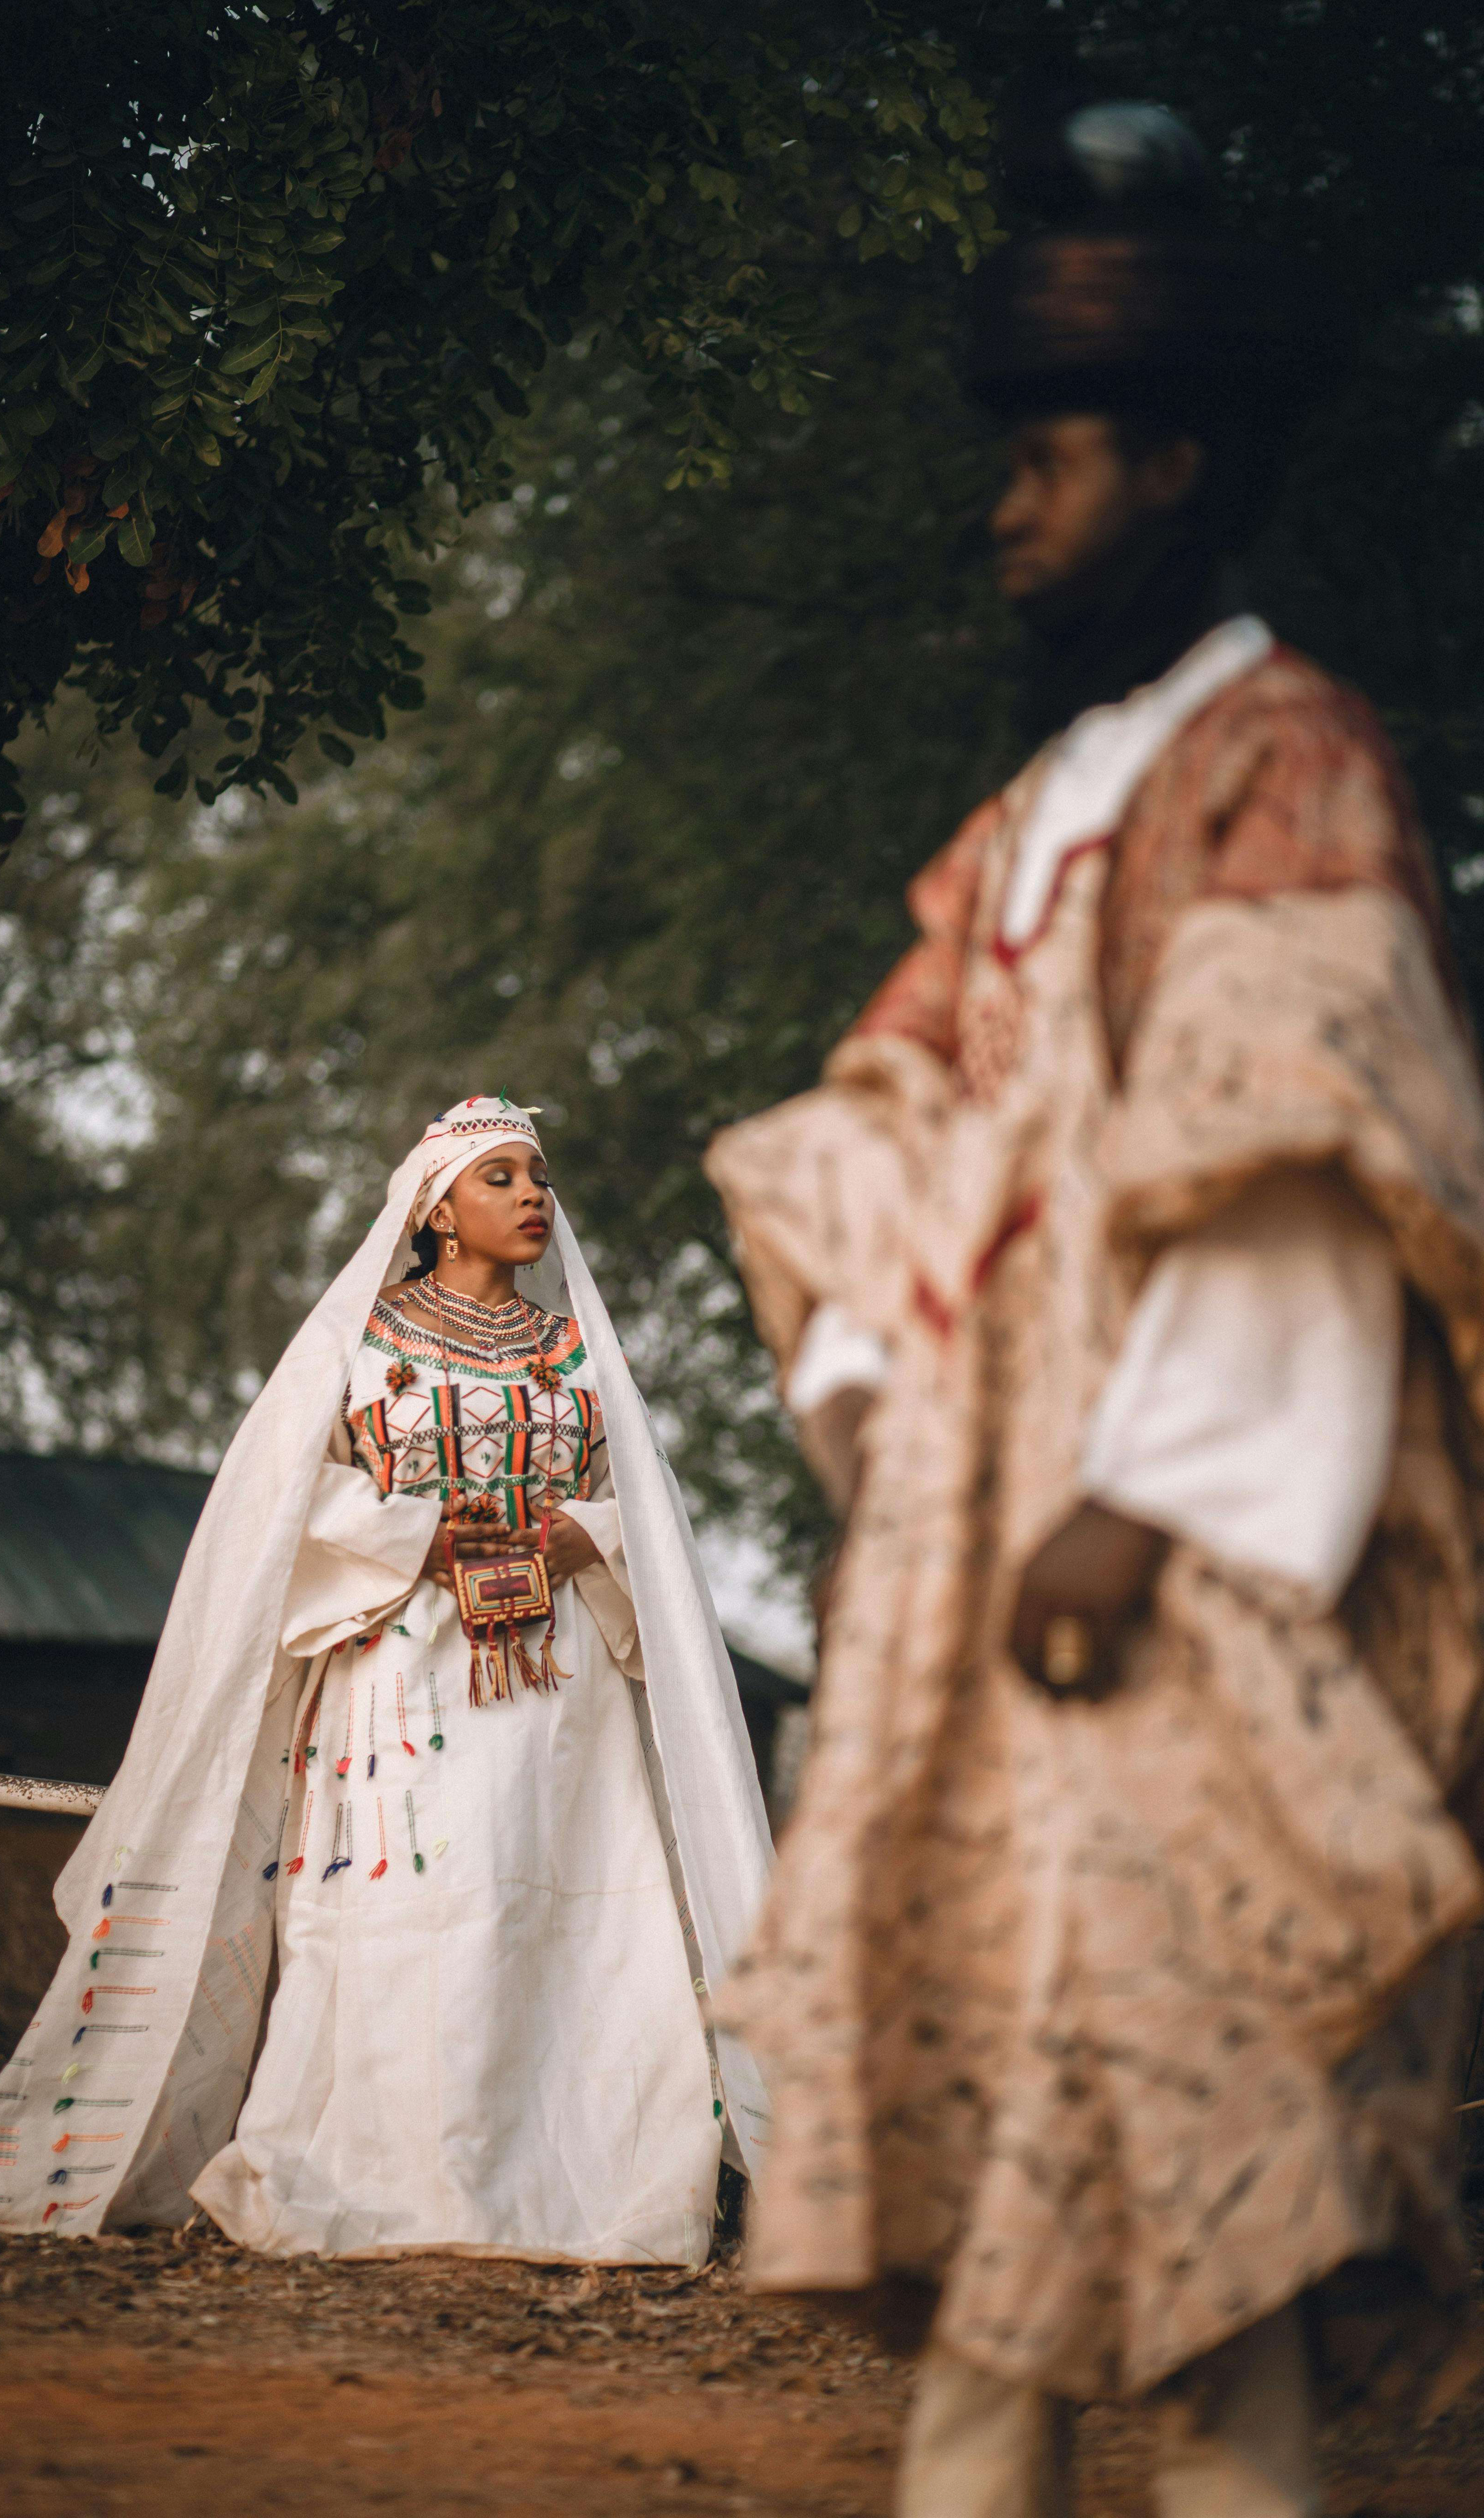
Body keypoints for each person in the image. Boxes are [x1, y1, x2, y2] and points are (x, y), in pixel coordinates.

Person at [705, 101, 1484, 2518]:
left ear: (1172, 463)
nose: (1008, 509)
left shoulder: (1281, 751)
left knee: (1210, 2125)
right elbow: (884, 1134)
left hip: (1189, 1568)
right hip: (990, 1556)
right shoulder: (1048, 802)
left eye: (1052, 464)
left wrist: (1138, 1507)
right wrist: (910, 1439)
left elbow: (1304, 1156)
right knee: (1009, 2121)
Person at [0, 1097, 772, 2262]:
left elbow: (648, 1519)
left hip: (565, 1694)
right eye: (501, 1178)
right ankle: (387, 2176)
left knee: (564, 1910)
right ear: (437, 1210)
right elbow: (280, 1509)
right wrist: (418, 1539)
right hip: (404, 1677)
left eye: (539, 1178)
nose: (533, 1197)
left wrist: (585, 1539)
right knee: (417, 1909)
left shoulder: (579, 1358)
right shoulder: (364, 1347)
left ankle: (581, 2182)